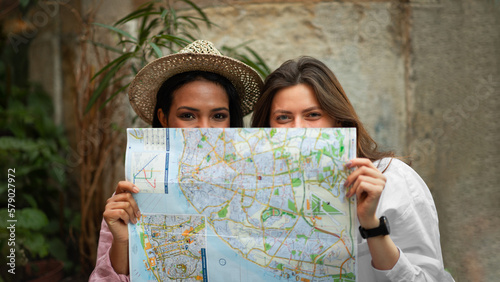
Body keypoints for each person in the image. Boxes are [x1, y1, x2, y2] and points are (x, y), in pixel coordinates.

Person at [251, 56, 455, 281]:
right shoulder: (252, 190)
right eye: (283, 118)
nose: (298, 128)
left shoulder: (393, 179)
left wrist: (372, 225)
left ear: (337, 120)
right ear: (266, 127)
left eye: (313, 115)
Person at [90, 40, 263, 281]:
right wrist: (124, 242)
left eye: (218, 116)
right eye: (188, 115)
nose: (204, 129)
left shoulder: (261, 188)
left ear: (231, 121)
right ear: (163, 118)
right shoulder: (132, 199)